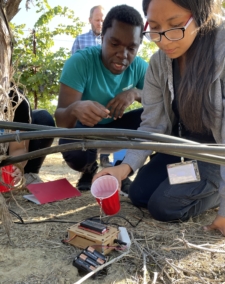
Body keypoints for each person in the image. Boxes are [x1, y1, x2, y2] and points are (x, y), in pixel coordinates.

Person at [94, 0, 225, 236]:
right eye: (154, 27)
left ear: (201, 15)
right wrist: (124, 169)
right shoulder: (158, 64)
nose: (163, 40)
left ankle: (217, 191)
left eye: (175, 25)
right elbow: (153, 124)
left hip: (216, 153)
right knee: (139, 194)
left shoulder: (221, 54)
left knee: (165, 207)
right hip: (181, 148)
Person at [55, 5, 148, 195]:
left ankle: (123, 171)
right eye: (114, 44)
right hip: (85, 131)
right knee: (73, 149)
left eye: (131, 48)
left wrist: (135, 93)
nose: (123, 55)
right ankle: (89, 171)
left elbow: (160, 105)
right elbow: (61, 121)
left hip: (117, 128)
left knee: (154, 116)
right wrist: (74, 109)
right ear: (102, 38)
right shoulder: (80, 62)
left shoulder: (140, 67)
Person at [71, 5, 111, 168]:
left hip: (107, 93)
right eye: (97, 20)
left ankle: (106, 158)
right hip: (87, 95)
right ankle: (89, 167)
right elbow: (73, 68)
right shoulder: (80, 40)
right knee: (89, 129)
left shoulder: (111, 41)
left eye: (103, 20)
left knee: (108, 125)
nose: (100, 23)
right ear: (90, 20)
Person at [7, 87, 55, 186]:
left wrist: (15, 166)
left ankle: (28, 173)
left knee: (43, 119)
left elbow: (18, 148)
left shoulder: (16, 98)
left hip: (5, 152)